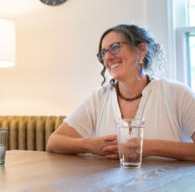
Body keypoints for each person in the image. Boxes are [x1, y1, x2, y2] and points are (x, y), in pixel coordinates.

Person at [47, 24, 195, 161]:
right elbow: (54, 142)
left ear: (141, 50)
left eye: (115, 47)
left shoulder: (178, 94)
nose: (108, 57)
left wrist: (147, 147)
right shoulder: (98, 98)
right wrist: (92, 145)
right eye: (103, 52)